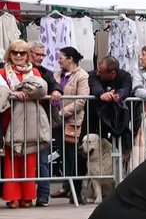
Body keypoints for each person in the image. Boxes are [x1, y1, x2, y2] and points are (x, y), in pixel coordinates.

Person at [1, 39, 52, 209]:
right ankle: (12, 196)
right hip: (10, 119)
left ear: (27, 55)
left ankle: (28, 195)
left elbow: (42, 90)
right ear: (10, 54)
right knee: (11, 158)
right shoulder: (2, 72)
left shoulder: (35, 72)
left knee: (30, 158)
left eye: (22, 53)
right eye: (15, 52)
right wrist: (14, 93)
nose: (18, 56)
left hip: (31, 119)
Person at [27, 41, 62, 207]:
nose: (40, 58)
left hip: (42, 121)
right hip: (22, 120)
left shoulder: (46, 73)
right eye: (37, 54)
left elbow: (54, 84)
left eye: (42, 55)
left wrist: (56, 90)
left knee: (43, 159)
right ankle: (21, 195)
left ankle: (43, 195)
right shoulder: (13, 70)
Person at [52, 47, 90, 203]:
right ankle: (66, 186)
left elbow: (81, 100)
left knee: (73, 155)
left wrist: (61, 113)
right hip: (57, 122)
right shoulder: (56, 74)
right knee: (63, 154)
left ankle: (74, 188)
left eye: (61, 57)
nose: (58, 60)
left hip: (72, 122)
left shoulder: (82, 76)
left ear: (70, 59)